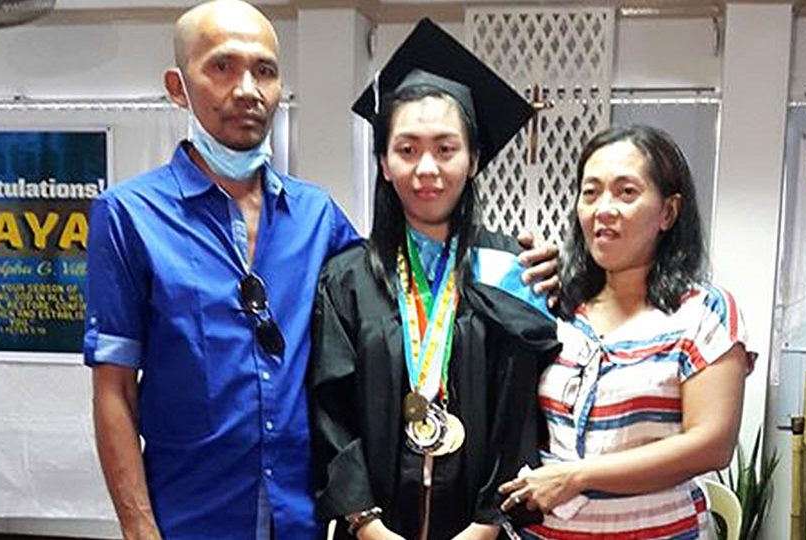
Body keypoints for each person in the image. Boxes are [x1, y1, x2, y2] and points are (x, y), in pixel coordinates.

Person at [84, 3, 558, 539]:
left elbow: (408, 301)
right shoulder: (128, 215)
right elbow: (114, 390)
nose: (246, 88)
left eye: (264, 70)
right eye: (222, 67)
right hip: (193, 513)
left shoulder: (317, 218)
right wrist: (138, 529)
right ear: (178, 86)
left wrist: (548, 273)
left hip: (300, 517)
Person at [309, 19, 561, 540]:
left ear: (473, 162)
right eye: (406, 149)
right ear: (383, 162)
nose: (427, 168)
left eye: (446, 149)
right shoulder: (347, 278)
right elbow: (330, 411)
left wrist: (488, 522)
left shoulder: (511, 269)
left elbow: (519, 412)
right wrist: (364, 523)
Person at [498, 125, 752, 539]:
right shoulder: (558, 306)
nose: (604, 208)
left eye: (627, 192)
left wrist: (576, 477)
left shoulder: (703, 313)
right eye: (591, 192)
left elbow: (711, 444)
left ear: (668, 212)